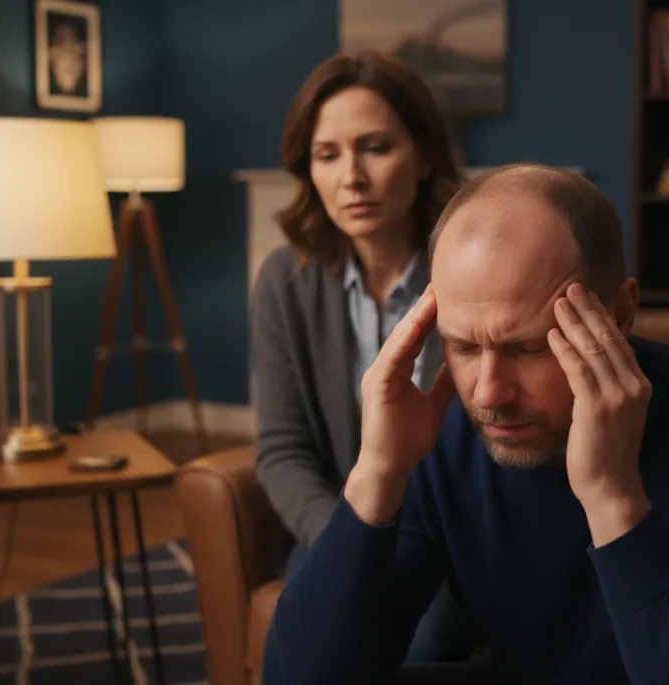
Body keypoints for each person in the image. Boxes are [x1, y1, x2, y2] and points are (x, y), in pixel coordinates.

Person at [261, 163, 669, 684]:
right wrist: (376, 472)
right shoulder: (449, 433)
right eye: (461, 346)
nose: (488, 393)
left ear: (619, 316)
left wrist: (613, 499)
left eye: (526, 348)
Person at [250, 50, 478, 664]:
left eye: (375, 147)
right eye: (328, 155)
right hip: (340, 524)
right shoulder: (283, 280)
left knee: (424, 642)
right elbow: (281, 449)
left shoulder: (474, 271)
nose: (351, 176)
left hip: (455, 535)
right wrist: (351, 543)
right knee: (311, 642)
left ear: (424, 156)